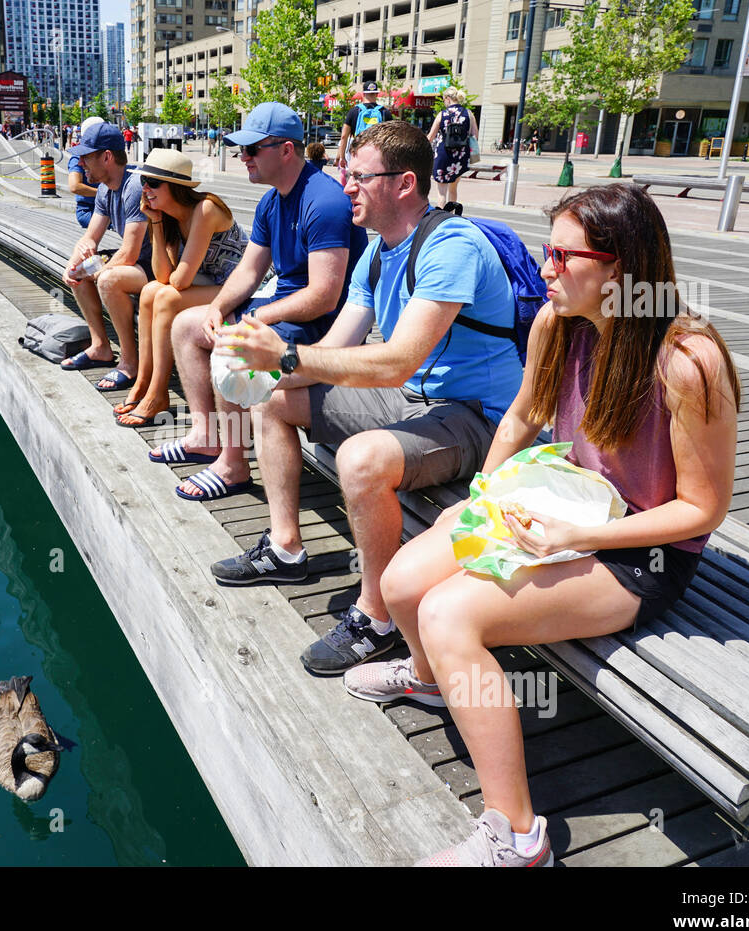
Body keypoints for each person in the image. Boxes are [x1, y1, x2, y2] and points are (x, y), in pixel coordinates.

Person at [341, 182, 740, 866]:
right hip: (564, 503)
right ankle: (433, 680)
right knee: (404, 582)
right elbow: (523, 417)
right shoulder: (559, 324)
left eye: (561, 255)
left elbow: (700, 511)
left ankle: (517, 837)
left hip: (637, 552)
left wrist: (575, 538)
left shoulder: (687, 363)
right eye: (544, 250)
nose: (543, 269)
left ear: (620, 268)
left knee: (448, 614)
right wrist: (484, 494)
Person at [209, 120, 521, 675]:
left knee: (361, 460)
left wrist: (283, 356)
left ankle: (377, 618)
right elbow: (338, 347)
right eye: (344, 174)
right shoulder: (377, 252)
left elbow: (397, 359)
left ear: (404, 184)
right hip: (412, 398)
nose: (345, 186)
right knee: (273, 402)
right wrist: (257, 374)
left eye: (359, 176)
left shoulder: (451, 244)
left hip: (477, 417)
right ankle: (285, 548)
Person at [157, 102, 367, 502]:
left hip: (322, 331)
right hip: (285, 313)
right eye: (242, 149)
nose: (243, 157)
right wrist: (219, 307)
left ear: (286, 150)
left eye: (252, 150)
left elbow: (324, 296)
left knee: (231, 347)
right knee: (187, 325)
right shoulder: (273, 200)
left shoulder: (324, 202)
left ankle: (233, 465)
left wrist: (257, 317)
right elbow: (250, 271)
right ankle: (205, 436)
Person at [114, 148, 247, 428]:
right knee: (151, 291)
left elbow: (180, 281)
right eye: (144, 182)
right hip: (212, 283)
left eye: (153, 183)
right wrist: (157, 223)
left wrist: (172, 275)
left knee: (165, 298)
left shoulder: (205, 208)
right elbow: (163, 276)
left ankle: (158, 394)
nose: (146, 189)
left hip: (241, 286)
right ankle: (144, 384)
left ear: (175, 186)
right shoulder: (170, 217)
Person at [59, 122, 152, 389]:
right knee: (79, 273)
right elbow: (90, 237)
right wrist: (74, 265)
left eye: (87, 157)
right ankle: (100, 346)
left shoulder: (135, 186)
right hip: (137, 261)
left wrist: (97, 270)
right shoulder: (104, 189)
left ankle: (130, 362)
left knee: (107, 280)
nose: (81, 163)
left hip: (160, 265)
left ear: (107, 157)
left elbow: (131, 254)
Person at [427, 87, 478, 206]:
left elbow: (430, 137)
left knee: (441, 192)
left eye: (444, 100)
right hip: (460, 156)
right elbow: (474, 136)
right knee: (453, 189)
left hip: (443, 154)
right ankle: (452, 215)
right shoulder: (468, 113)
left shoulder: (442, 114)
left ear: (447, 99)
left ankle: (441, 218)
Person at [337, 82, 392, 168]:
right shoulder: (385, 112)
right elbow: (391, 137)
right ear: (377, 94)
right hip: (377, 155)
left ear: (363, 94)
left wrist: (342, 157)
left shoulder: (354, 111)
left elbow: (344, 136)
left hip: (358, 153)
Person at [68, 116, 105, 228]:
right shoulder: (77, 158)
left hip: (108, 208)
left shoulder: (106, 153)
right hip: (89, 209)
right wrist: (104, 193)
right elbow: (75, 186)